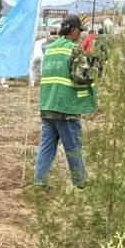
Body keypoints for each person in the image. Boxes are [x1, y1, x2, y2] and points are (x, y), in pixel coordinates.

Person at [34, 15, 97, 189]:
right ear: (73, 30)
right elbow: (80, 77)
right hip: (66, 107)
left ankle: (39, 183)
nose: (80, 35)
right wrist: (94, 70)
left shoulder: (50, 49)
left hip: (47, 105)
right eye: (79, 31)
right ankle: (81, 183)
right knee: (73, 148)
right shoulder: (73, 49)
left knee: (46, 147)